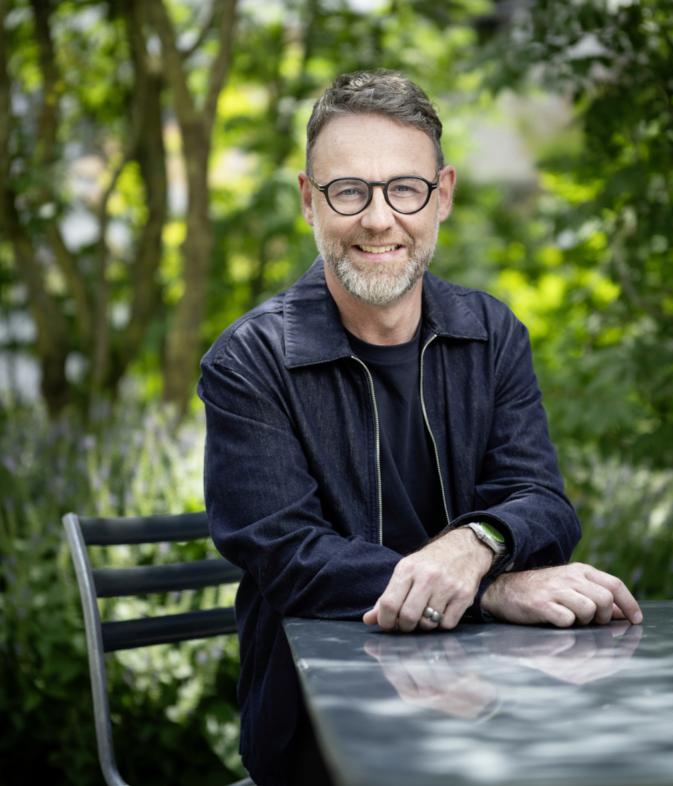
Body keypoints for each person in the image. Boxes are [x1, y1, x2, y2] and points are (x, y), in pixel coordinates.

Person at [199, 70, 643, 786]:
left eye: (404, 188)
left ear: (443, 195)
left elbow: (541, 501)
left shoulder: (491, 333)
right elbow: (290, 559)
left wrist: (477, 543)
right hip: (317, 731)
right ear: (309, 200)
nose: (379, 219)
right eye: (349, 191)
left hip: (490, 706)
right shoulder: (250, 361)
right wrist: (488, 589)